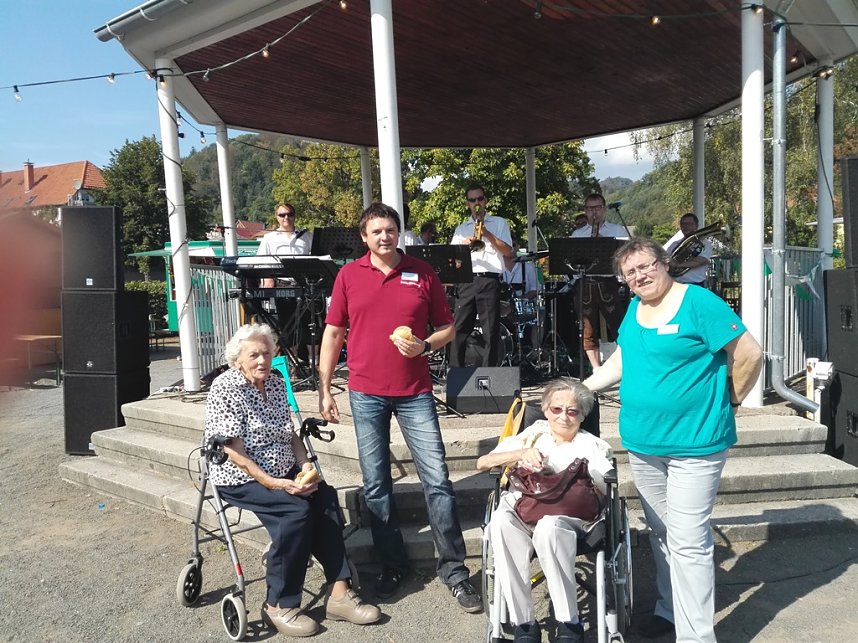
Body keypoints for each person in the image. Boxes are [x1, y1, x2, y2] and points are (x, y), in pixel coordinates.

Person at [583, 237, 763, 642]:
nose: (640, 276)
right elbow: (623, 359)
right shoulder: (636, 309)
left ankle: (696, 636)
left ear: (664, 264)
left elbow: (750, 353)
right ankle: (669, 610)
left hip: (695, 444)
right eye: (631, 272)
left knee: (689, 542)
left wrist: (729, 401)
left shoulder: (698, 302)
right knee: (663, 533)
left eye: (646, 266)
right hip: (644, 444)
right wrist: (582, 389)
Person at [317, 203, 482, 612]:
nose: (385, 237)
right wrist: (324, 388)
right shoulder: (348, 275)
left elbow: (448, 327)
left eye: (391, 230)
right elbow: (334, 331)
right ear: (364, 236)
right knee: (375, 486)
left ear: (399, 233)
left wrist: (425, 344)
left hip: (415, 391)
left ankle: (454, 570)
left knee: (438, 480)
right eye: (376, 231)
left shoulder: (423, 272)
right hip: (365, 391)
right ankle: (393, 565)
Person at [203, 323, 380, 638]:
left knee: (323, 498)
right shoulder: (225, 387)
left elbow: (290, 434)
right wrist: (275, 484)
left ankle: (339, 593)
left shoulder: (274, 382)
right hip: (241, 475)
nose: (262, 360)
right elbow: (235, 453)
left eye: (267, 353)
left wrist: (303, 467)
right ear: (237, 360)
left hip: (284, 470)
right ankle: (277, 604)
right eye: (254, 355)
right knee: (294, 512)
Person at [476, 379, 613, 643]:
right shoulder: (531, 435)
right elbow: (484, 462)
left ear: (582, 415)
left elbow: (607, 484)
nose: (564, 416)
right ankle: (524, 623)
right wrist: (521, 453)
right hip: (522, 511)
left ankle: (569, 622)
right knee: (500, 523)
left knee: (549, 527)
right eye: (556, 409)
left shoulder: (590, 445)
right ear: (546, 410)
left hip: (568, 520)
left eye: (572, 411)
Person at [450, 185, 513, 367]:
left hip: (489, 280)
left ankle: (489, 375)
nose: (476, 203)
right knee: (459, 329)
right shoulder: (461, 228)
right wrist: (464, 244)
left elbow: (508, 251)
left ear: (485, 201)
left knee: (490, 331)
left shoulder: (499, 223)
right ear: (467, 204)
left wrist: (487, 234)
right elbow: (454, 260)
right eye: (472, 200)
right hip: (467, 281)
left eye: (479, 199)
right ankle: (456, 375)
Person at [570, 193, 629, 371]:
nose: (593, 212)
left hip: (609, 281)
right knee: (588, 327)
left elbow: (626, 257)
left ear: (603, 209)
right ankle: (596, 368)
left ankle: (623, 364)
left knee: (620, 324)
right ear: (585, 211)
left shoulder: (617, 231)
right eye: (589, 208)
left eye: (597, 208)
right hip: (586, 282)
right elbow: (571, 263)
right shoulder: (577, 234)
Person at [256, 203, 319, 363]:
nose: (286, 218)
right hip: (282, 284)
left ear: (294, 215)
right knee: (287, 325)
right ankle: (293, 362)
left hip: (304, 284)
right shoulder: (269, 238)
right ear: (276, 217)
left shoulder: (306, 236)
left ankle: (314, 361)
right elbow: (261, 261)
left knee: (309, 324)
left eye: (289, 214)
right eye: (282, 215)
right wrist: (268, 278)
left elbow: (318, 258)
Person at [664, 213, 713, 287]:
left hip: (696, 285)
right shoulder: (674, 244)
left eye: (689, 224)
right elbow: (666, 260)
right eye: (683, 224)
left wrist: (678, 265)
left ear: (696, 226)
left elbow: (701, 261)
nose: (685, 226)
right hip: (676, 284)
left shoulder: (705, 243)